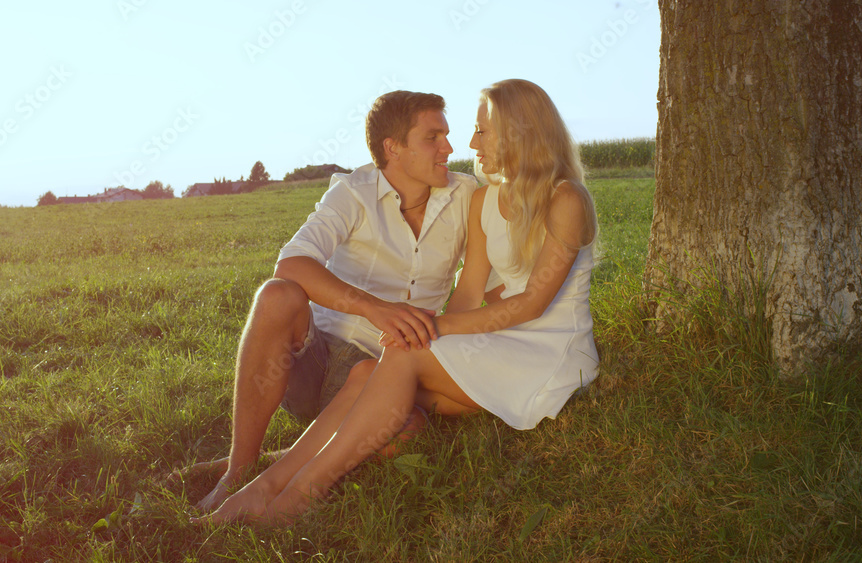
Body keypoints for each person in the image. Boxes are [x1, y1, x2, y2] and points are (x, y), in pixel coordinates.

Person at [192, 78, 600, 526]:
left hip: (539, 349)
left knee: (390, 378)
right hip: (333, 355)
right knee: (326, 329)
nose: (459, 145)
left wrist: (433, 330)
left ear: (519, 131)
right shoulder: (397, 195)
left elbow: (528, 304)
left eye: (478, 131)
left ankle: (286, 497)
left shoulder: (546, 197)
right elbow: (465, 293)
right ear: (393, 148)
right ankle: (249, 480)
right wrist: (406, 324)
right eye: (434, 137)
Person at [183, 90, 489, 513]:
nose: (448, 148)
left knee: (406, 434)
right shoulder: (352, 191)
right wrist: (374, 307)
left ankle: (286, 457)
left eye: (447, 136)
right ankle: (238, 469)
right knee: (276, 296)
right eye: (432, 137)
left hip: (395, 370)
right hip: (321, 361)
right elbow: (291, 264)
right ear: (392, 148)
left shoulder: (466, 196)